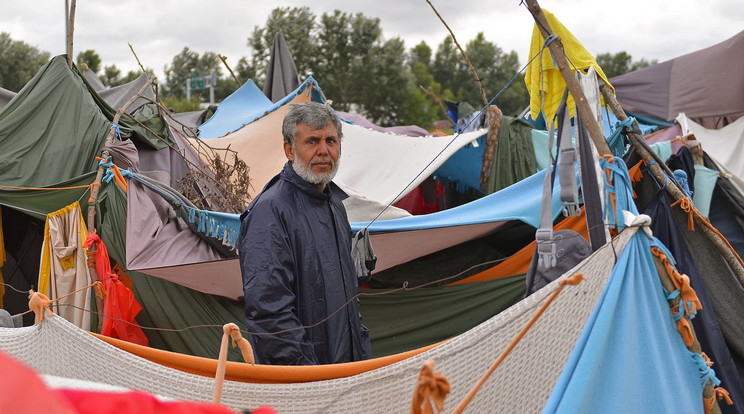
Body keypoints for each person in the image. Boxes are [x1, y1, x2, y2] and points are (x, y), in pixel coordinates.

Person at [238, 101, 371, 365]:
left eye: (330, 141)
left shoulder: (335, 206)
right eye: (312, 141)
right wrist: (307, 377)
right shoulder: (271, 211)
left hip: (345, 370)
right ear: (289, 150)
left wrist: (360, 357)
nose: (324, 151)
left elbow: (349, 302)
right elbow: (270, 314)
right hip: (304, 380)